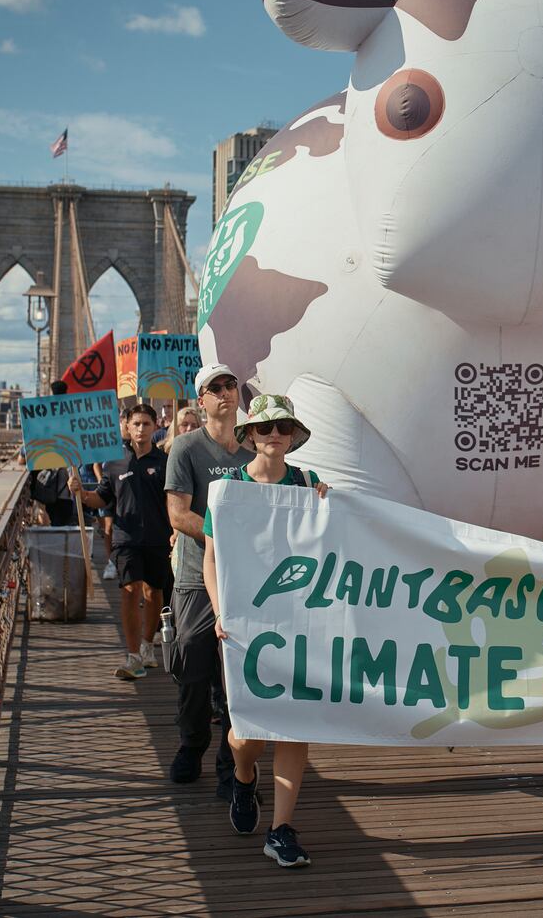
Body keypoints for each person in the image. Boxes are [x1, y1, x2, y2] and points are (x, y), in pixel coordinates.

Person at [204, 393, 328, 868]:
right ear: (250, 435)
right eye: (264, 427)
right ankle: (242, 774)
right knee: (246, 730)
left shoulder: (308, 484)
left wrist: (329, 505)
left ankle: (281, 830)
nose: (273, 434)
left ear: (292, 434)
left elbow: (334, 539)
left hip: (297, 620)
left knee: (295, 722)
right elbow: (212, 560)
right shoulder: (229, 489)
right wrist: (219, 612)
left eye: (282, 426)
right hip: (243, 622)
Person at [166, 364, 256, 800]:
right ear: (201, 400)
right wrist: (225, 535)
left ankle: (230, 768)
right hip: (195, 577)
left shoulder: (254, 451)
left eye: (230, 385)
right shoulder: (186, 448)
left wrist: (315, 489)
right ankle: (191, 743)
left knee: (235, 673)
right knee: (193, 664)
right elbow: (178, 514)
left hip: (243, 581)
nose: (224, 392)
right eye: (214, 388)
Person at [69, 404, 173, 681]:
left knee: (154, 593)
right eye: (136, 423)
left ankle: (148, 645)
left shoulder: (164, 462)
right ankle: (133, 656)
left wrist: (176, 531)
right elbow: (101, 498)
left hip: (158, 538)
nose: (140, 429)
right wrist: (80, 492)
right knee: (129, 590)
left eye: (146, 424)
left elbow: (173, 501)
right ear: (126, 427)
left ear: (154, 427)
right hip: (125, 538)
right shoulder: (113, 463)